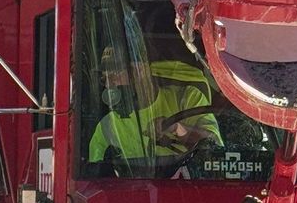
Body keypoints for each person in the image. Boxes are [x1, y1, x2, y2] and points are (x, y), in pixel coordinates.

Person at [88, 46, 221, 166]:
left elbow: (215, 148)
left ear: (140, 70)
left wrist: (177, 129)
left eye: (114, 75)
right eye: (104, 78)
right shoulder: (109, 125)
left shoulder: (186, 98)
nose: (108, 85)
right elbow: (91, 181)